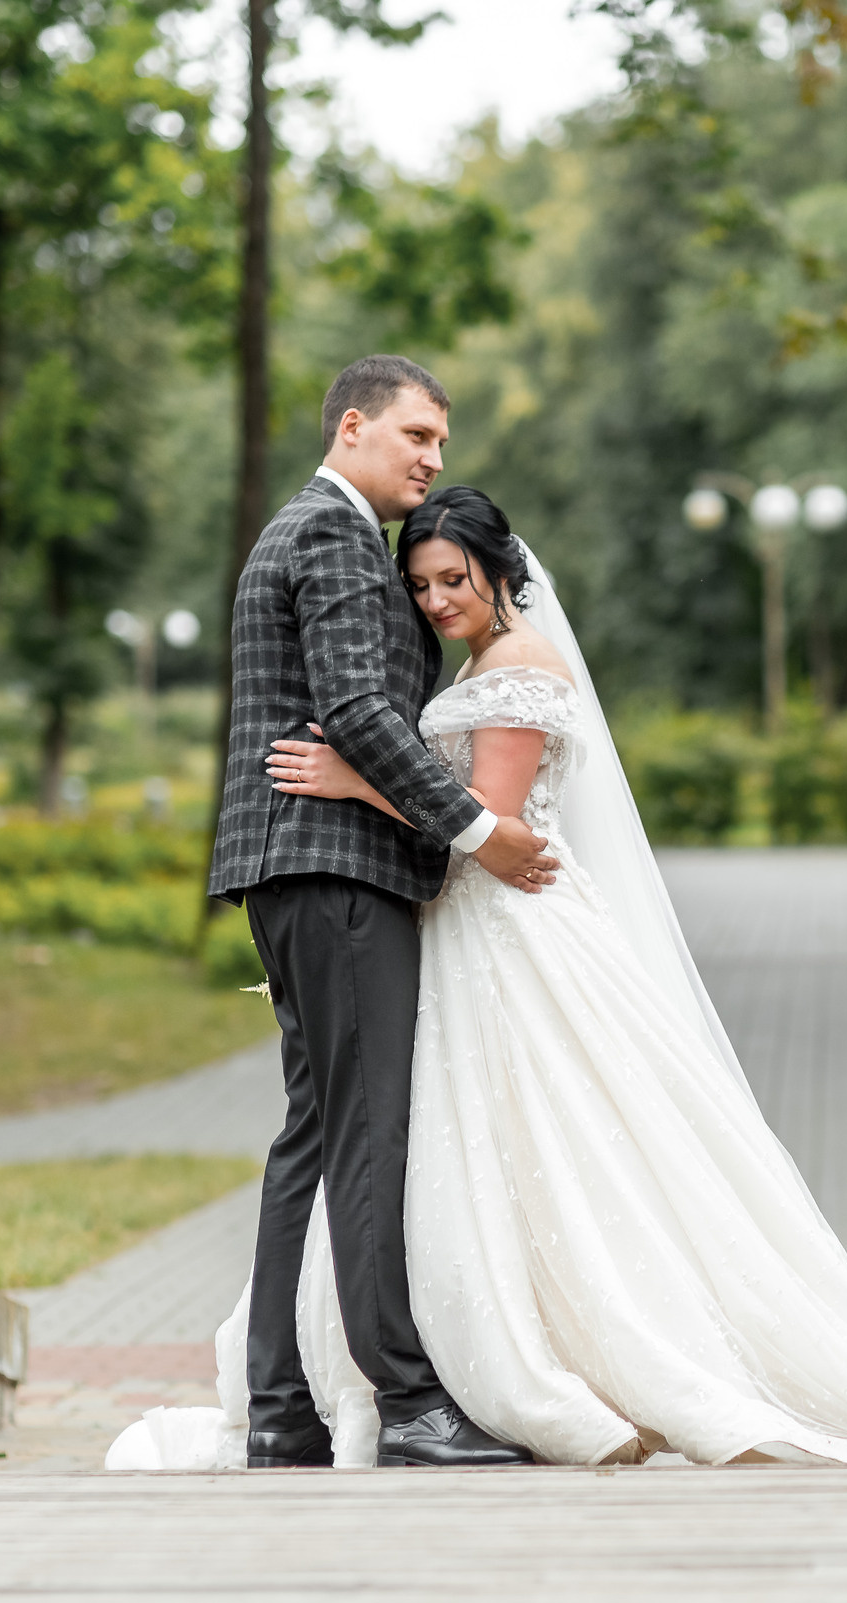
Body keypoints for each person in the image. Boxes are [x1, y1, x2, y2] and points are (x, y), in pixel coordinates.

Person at [112, 474, 847, 1471]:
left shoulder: (518, 668)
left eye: (452, 577)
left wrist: (354, 783)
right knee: (471, 1152)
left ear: (502, 571)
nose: (435, 600)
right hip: (465, 933)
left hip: (508, 934)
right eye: (420, 586)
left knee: (534, 1140)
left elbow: (490, 823)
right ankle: (450, 1363)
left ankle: (546, 1362)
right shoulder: (478, 661)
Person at [200, 355, 554, 1471]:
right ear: (352, 425)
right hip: (337, 870)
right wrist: (478, 830)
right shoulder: (336, 535)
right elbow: (356, 706)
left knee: (315, 1128)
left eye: (441, 443)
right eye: (416, 435)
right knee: (363, 1131)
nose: (432, 458)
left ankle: (281, 1409)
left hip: (304, 870)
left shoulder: (305, 528)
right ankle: (406, 1401)